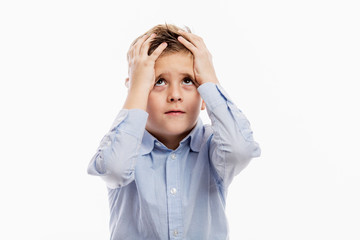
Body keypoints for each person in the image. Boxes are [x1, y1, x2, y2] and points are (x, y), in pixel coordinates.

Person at [87, 23, 261, 240]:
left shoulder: (214, 148)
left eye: (188, 81)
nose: (175, 95)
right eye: (159, 82)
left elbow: (241, 150)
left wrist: (210, 81)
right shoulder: (124, 147)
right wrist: (138, 90)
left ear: (203, 95)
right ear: (137, 91)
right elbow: (114, 168)